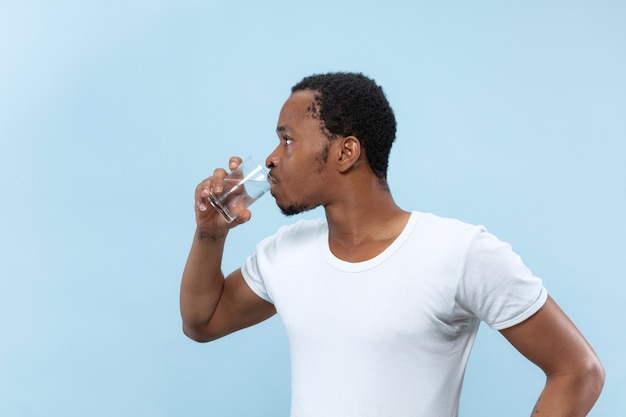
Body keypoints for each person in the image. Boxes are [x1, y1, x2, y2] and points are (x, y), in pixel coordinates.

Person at [180, 72, 604, 416]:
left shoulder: (459, 253)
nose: (271, 158)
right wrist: (211, 233)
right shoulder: (283, 252)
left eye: (287, 139)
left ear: (346, 153)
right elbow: (203, 321)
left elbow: (578, 371)